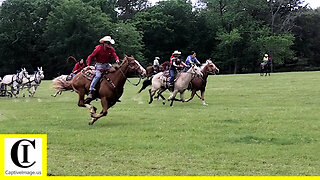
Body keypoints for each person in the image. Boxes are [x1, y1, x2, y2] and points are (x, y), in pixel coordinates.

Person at [86, 36, 120, 100]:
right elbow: (91, 56)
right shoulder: (98, 48)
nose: (109, 45)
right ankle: (90, 90)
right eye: (107, 43)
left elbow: (115, 55)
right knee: (98, 76)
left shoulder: (111, 49)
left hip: (107, 64)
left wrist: (117, 60)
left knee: (115, 73)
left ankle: (114, 92)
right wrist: (88, 64)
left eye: (109, 43)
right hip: (99, 65)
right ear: (104, 43)